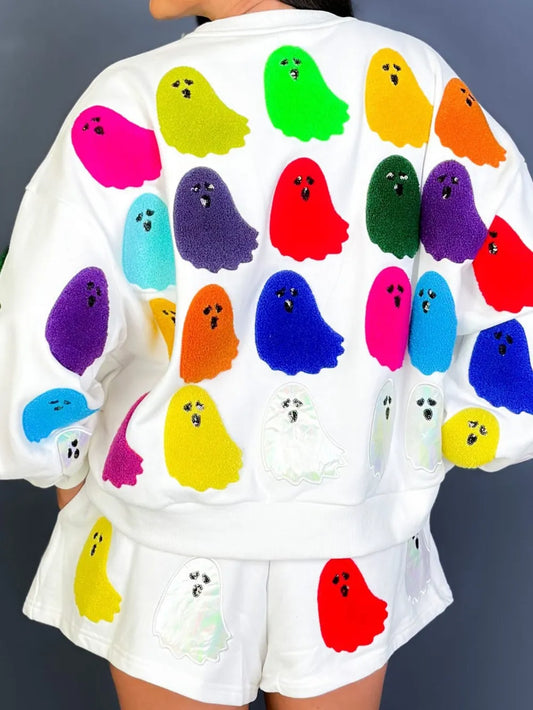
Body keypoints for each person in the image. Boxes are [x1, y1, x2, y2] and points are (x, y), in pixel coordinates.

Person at [2, 0, 533, 708]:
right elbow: (509, 275)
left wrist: (61, 463)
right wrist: (444, 432)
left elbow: (50, 305)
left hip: (162, 532)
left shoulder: (130, 95)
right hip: (355, 529)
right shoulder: (420, 81)